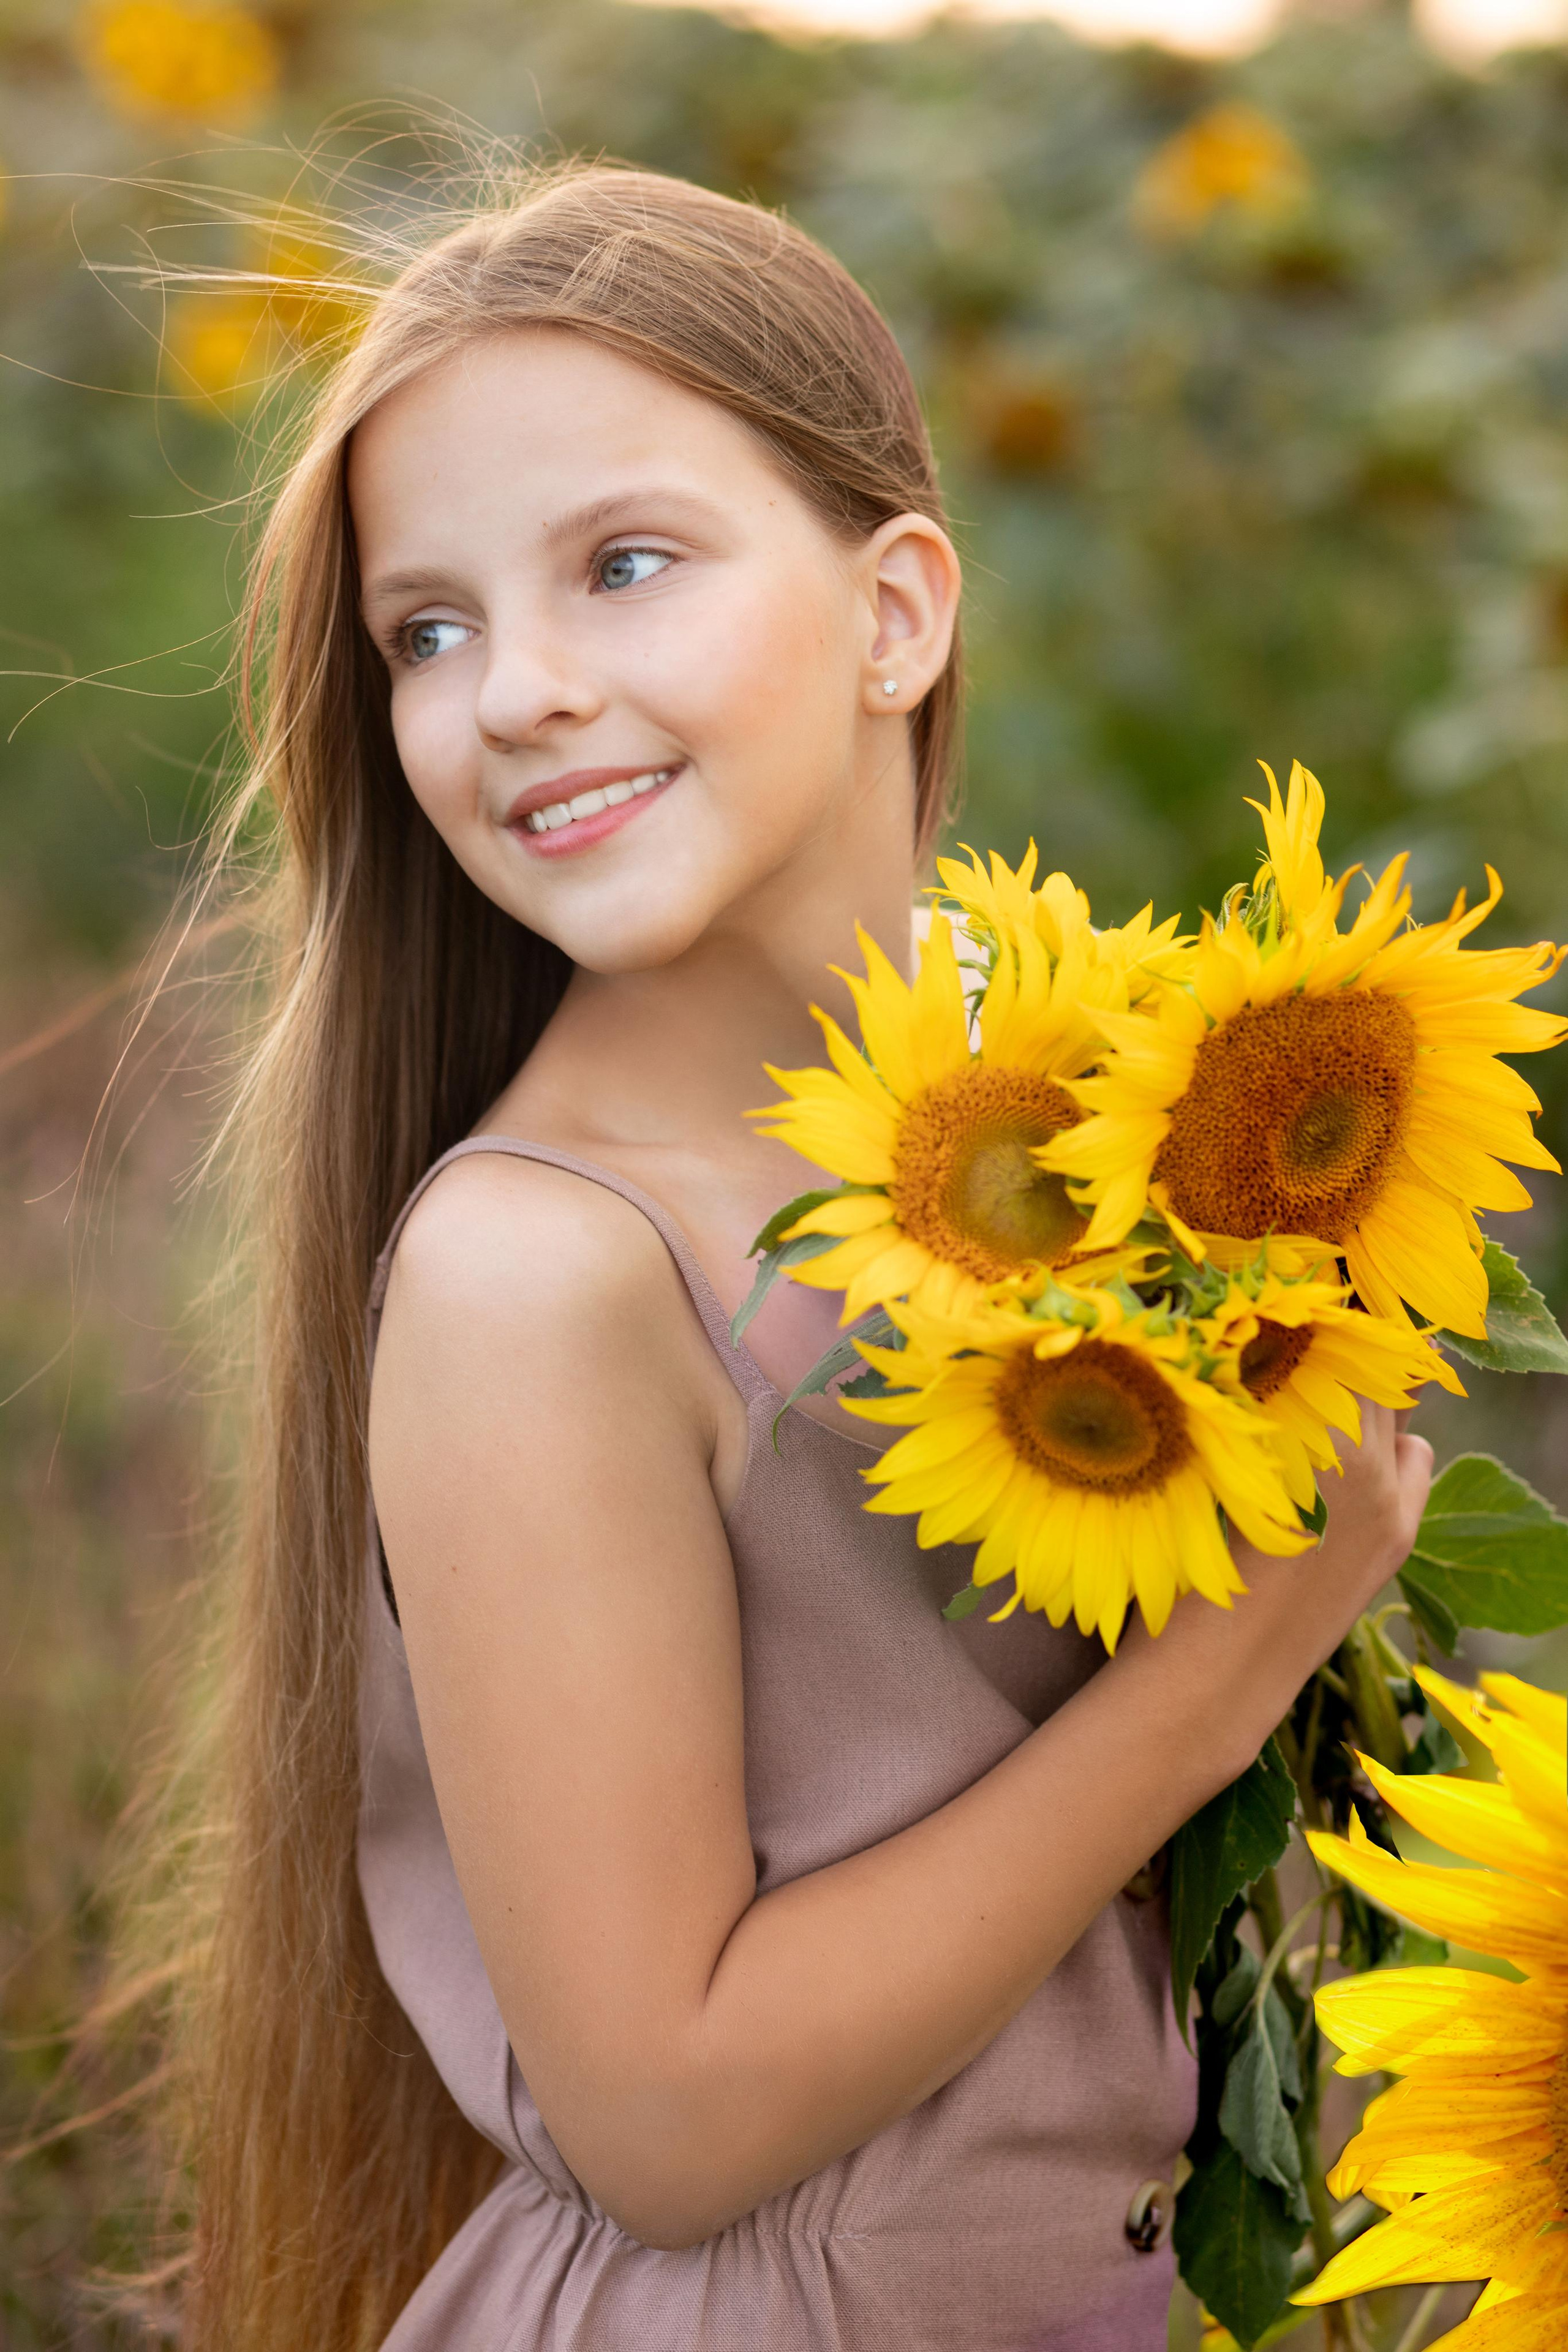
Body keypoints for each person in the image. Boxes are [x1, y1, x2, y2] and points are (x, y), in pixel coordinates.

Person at [173, 164, 1432, 2352]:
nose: (518, 693)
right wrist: (1230, 1665)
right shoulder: (543, 1272)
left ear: (895, 613)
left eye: (624, 566)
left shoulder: (1086, 1093)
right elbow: (667, 2111)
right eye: (429, 629)